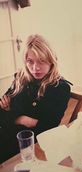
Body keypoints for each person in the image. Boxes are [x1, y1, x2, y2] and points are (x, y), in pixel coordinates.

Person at [0, 34, 71, 163]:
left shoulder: (60, 88)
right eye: (30, 61)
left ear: (51, 60)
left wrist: (11, 112)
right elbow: (1, 110)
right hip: (8, 134)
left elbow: (49, 127)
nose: (35, 68)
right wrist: (23, 119)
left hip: (33, 146)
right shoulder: (21, 77)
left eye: (41, 61)